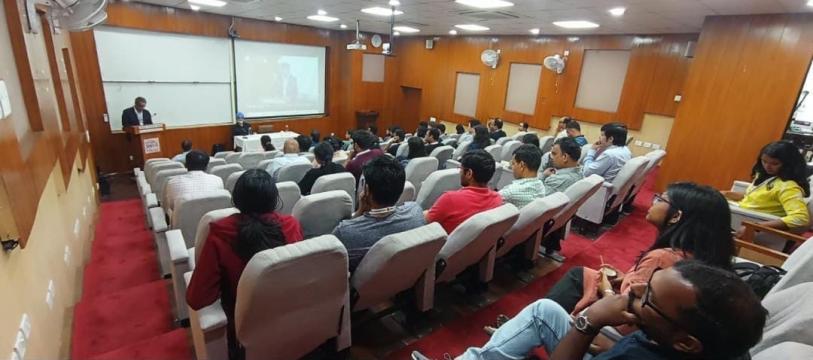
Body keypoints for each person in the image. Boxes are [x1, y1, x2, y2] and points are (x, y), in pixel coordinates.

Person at [413, 260, 766, 360]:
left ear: (687, 342)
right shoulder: (717, 341)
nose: (636, 290)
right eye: (651, 280)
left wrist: (590, 322)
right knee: (545, 310)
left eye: (649, 299)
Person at [545, 182, 734, 316]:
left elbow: (625, 316)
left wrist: (608, 289)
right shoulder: (700, 257)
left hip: (611, 328)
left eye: (660, 199)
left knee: (542, 310)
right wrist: (626, 277)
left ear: (676, 216)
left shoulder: (661, 258)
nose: (653, 203)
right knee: (579, 274)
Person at [187, 169, 304, 360]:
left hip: (243, 325)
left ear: (237, 200)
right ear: (274, 199)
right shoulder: (291, 225)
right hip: (290, 314)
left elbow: (197, 298)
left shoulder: (220, 234)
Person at [333, 156, 425, 272]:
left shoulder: (345, 232)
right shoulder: (416, 211)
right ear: (401, 189)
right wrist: (362, 211)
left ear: (366, 190)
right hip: (402, 276)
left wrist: (359, 212)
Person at [723, 140, 811, 238]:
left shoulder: (788, 187)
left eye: (775, 163)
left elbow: (800, 218)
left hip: (745, 220)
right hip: (741, 212)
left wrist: (756, 226)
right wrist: (725, 194)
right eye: (764, 161)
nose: (767, 166)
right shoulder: (765, 176)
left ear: (788, 164)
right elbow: (755, 199)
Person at [425, 150, 503, 233]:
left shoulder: (450, 198)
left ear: (469, 173)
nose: (460, 172)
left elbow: (427, 221)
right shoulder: (498, 199)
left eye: (460, 168)